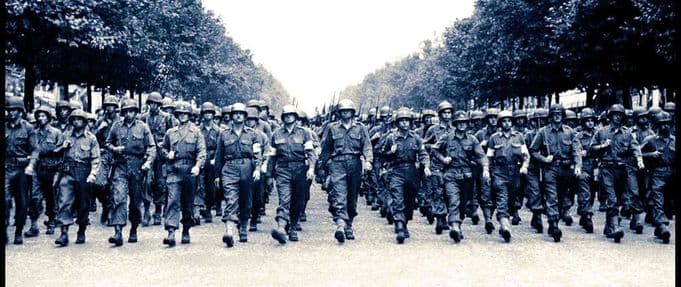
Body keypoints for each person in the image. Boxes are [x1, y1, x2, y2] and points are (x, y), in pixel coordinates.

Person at [318, 99, 373, 243]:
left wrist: (368, 161)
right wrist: (321, 166)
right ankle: (340, 225)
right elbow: (326, 148)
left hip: (355, 163)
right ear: (339, 113)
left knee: (352, 197)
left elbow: (367, 146)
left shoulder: (360, 128)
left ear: (353, 112)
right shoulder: (332, 128)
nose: (345, 113)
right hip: (338, 164)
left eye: (348, 111)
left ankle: (349, 225)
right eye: (343, 111)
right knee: (339, 194)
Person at [105, 98, 157, 246]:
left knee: (135, 201)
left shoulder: (143, 127)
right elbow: (107, 143)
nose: (129, 114)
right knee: (119, 197)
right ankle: (118, 231)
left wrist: (148, 162)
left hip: (137, 166)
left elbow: (152, 147)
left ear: (136, 112)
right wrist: (114, 149)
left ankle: (134, 227)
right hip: (120, 165)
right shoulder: (116, 126)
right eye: (126, 111)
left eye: (131, 111)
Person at [590, 104, 645, 243]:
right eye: (615, 114)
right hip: (607, 169)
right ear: (610, 116)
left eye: (620, 115)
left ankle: (609, 226)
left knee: (619, 199)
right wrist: (603, 146)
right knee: (612, 198)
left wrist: (639, 160)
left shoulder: (627, 133)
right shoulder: (601, 132)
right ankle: (615, 227)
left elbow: (635, 147)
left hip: (622, 170)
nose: (618, 117)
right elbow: (592, 149)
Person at [529, 104, 582, 242]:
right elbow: (533, 150)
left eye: (559, 113)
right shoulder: (543, 132)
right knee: (551, 195)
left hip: (565, 169)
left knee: (562, 196)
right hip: (550, 168)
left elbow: (576, 150)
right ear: (550, 116)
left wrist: (577, 165)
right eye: (554, 113)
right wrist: (544, 159)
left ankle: (555, 217)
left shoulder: (570, 132)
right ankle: (554, 224)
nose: (557, 116)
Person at [432, 110, 487, 243]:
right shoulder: (447, 137)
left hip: (467, 176)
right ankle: (454, 226)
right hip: (451, 175)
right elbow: (435, 149)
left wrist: (485, 168)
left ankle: (458, 224)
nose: (462, 125)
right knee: (453, 200)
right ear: (455, 124)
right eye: (459, 123)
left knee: (463, 205)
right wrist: (443, 159)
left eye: (464, 123)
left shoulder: (472, 139)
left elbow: (481, 156)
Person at [214, 103, 263, 247]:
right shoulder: (224, 134)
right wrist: (217, 175)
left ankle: (243, 227)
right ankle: (229, 231)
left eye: (241, 113)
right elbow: (219, 156)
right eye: (236, 113)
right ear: (231, 116)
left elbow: (257, 154)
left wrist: (257, 168)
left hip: (247, 167)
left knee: (246, 200)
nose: (238, 115)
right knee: (231, 198)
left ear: (245, 116)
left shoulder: (253, 135)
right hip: (229, 168)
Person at [266, 105, 317, 243]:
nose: (289, 117)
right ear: (283, 118)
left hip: (300, 169)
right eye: (286, 115)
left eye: (291, 115)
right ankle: (281, 227)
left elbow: (311, 153)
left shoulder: (304, 133)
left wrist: (311, 168)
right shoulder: (276, 134)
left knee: (298, 201)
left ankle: (292, 228)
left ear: (295, 117)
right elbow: (272, 157)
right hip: (283, 170)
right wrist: (269, 175)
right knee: (284, 199)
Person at [160, 101, 206, 246]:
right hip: (174, 170)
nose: (182, 116)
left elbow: (202, 152)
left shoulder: (196, 132)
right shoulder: (170, 133)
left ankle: (186, 228)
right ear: (177, 115)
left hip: (190, 171)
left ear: (189, 115)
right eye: (180, 114)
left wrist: (198, 166)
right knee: (172, 200)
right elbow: (162, 149)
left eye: (185, 113)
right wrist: (168, 155)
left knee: (188, 203)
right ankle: (171, 231)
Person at [381, 107, 430, 244]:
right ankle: (399, 224)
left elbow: (423, 154)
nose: (404, 123)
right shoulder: (391, 138)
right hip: (396, 171)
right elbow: (382, 156)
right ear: (397, 123)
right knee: (398, 199)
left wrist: (425, 166)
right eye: (401, 121)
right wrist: (390, 152)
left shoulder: (416, 138)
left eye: (406, 121)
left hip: (412, 172)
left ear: (410, 122)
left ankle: (405, 222)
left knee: (409, 201)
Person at [53, 109, 101, 246]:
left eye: (79, 119)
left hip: (84, 171)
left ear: (85, 122)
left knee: (83, 203)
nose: (76, 122)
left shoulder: (91, 138)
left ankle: (81, 229)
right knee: (64, 200)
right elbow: (55, 151)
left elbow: (96, 158)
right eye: (74, 119)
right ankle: (64, 233)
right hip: (68, 170)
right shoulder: (66, 135)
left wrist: (93, 174)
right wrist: (63, 146)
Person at [485, 110, 530, 242]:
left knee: (512, 200)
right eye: (504, 121)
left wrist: (524, 166)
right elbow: (489, 157)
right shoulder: (494, 138)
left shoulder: (519, 137)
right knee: (501, 198)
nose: (507, 123)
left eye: (509, 120)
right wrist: (487, 171)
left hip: (515, 173)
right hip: (499, 173)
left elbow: (526, 156)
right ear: (500, 123)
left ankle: (505, 220)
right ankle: (505, 225)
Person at [24, 106, 62, 238]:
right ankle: (33, 225)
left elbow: (62, 152)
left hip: (52, 168)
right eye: (39, 116)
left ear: (49, 117)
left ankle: (51, 221)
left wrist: (58, 170)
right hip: (37, 168)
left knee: (51, 196)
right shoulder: (33, 133)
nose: (41, 118)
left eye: (43, 116)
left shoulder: (56, 133)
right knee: (34, 197)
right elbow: (31, 149)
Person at [641, 111, 674, 244]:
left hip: (673, 174)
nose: (665, 127)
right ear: (656, 126)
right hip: (657, 173)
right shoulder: (650, 140)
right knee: (657, 199)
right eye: (661, 124)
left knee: (668, 203)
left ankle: (659, 226)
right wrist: (650, 155)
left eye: (667, 124)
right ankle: (661, 225)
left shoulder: (674, 140)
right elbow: (636, 153)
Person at [5, 96, 34, 245]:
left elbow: (35, 150)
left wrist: (30, 166)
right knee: (5, 200)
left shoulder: (28, 128)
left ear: (20, 111)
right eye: (9, 110)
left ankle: (18, 231)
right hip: (7, 168)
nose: (11, 113)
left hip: (22, 169)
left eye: (14, 110)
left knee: (22, 202)